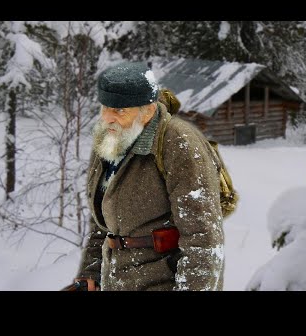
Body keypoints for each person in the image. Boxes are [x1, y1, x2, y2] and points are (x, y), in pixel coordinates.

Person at [71, 61, 224, 291]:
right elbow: (102, 218)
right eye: (106, 108)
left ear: (148, 111)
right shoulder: (108, 138)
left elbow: (203, 240)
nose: (108, 118)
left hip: (163, 281)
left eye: (120, 110)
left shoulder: (178, 144)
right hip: (117, 280)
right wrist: (91, 271)